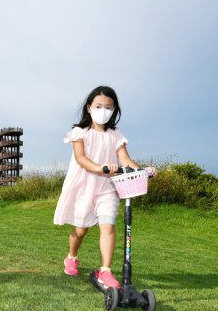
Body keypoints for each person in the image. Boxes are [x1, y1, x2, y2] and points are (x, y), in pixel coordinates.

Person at [53, 85, 156, 289]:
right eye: (99, 106)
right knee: (80, 230)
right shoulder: (79, 132)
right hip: (84, 185)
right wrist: (101, 167)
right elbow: (81, 159)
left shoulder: (116, 135)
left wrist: (142, 170)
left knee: (108, 225)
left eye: (108, 107)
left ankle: (105, 270)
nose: (103, 110)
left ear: (114, 110)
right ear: (89, 107)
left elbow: (125, 159)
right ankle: (71, 257)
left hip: (108, 187)